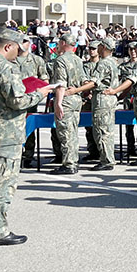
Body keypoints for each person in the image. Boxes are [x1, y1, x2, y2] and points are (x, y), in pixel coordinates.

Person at [0, 27, 53, 246]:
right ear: (8, 46)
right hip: (6, 135)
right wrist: (40, 94)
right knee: (2, 184)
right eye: (18, 47)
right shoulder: (5, 68)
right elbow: (17, 101)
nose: (20, 52)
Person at [50, 34, 86, 175]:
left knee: (65, 133)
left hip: (66, 99)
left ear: (63, 43)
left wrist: (58, 103)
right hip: (76, 99)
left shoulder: (61, 60)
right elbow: (84, 79)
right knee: (72, 132)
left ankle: (69, 164)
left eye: (59, 42)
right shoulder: (78, 59)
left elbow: (60, 83)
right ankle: (73, 161)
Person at [86, 38, 121, 171]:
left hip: (102, 98)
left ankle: (106, 160)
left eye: (100, 46)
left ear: (104, 47)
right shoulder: (113, 62)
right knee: (108, 130)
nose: (98, 48)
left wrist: (77, 90)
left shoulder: (103, 63)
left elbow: (94, 82)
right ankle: (108, 158)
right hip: (110, 98)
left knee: (101, 130)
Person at [17, 37, 50, 168]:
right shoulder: (9, 60)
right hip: (13, 101)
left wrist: (38, 94)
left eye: (25, 41)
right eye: (20, 41)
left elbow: (44, 81)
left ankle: (28, 155)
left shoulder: (36, 60)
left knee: (29, 129)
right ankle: (15, 155)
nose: (22, 44)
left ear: (29, 43)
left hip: (30, 101)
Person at [80, 40, 101, 164]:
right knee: (89, 127)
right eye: (90, 49)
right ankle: (92, 151)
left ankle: (100, 151)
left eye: (94, 48)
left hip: (99, 99)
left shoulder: (103, 64)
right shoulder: (85, 66)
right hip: (87, 99)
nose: (91, 51)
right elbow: (83, 80)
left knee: (99, 127)